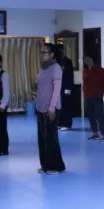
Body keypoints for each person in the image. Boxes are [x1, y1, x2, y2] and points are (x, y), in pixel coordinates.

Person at [36, 43, 66, 174]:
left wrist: (52, 107)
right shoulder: (44, 68)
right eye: (41, 52)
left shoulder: (56, 67)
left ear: (52, 54)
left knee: (51, 138)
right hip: (41, 107)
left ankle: (56, 166)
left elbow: (57, 90)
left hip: (51, 108)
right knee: (42, 137)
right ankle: (45, 165)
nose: (41, 54)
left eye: (44, 52)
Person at [82, 55, 104, 143]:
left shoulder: (100, 70)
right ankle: (95, 133)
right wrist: (84, 89)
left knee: (100, 115)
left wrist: (99, 90)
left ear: (92, 59)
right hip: (87, 96)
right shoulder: (85, 70)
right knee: (91, 115)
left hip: (97, 96)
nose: (86, 61)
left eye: (88, 58)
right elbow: (84, 82)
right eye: (85, 59)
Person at [58, 52, 75, 131]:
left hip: (65, 88)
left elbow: (69, 75)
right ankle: (60, 123)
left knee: (66, 106)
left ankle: (67, 124)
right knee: (60, 107)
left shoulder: (67, 61)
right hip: (59, 87)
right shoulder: (58, 61)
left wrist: (68, 88)